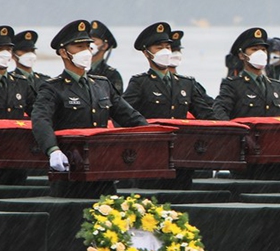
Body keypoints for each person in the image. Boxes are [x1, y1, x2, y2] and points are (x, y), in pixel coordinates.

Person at [31, 20, 147, 198]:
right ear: (63, 52)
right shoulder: (53, 88)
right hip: (71, 169)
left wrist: (153, 138)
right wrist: (52, 149)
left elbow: (130, 117)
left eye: (88, 46)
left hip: (103, 168)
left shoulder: (102, 84)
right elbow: (41, 120)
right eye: (79, 47)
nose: (86, 51)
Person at [123, 22, 215, 120]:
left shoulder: (186, 84)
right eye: (159, 48)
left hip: (180, 135)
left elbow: (206, 114)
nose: (165, 51)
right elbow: (123, 115)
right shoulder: (140, 83)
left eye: (167, 47)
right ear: (146, 53)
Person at [168, 29, 215, 106]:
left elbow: (209, 103)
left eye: (178, 50)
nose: (176, 54)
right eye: (172, 51)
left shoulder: (189, 83)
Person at [88, 20, 124, 94]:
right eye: (87, 40)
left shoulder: (112, 75)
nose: (89, 44)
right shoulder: (77, 69)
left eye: (93, 40)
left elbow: (116, 102)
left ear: (104, 46)